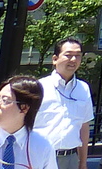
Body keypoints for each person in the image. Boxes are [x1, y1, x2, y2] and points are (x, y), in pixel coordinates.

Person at [36, 39, 94, 169]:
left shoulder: (83, 88)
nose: (73, 59)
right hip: (41, 156)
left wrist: (83, 162)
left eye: (78, 55)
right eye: (68, 55)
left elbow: (84, 127)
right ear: (55, 59)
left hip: (71, 158)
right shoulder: (39, 87)